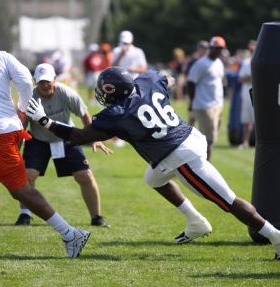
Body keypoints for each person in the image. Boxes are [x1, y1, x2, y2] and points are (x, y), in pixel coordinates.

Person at [26, 66, 280, 260]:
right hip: (189, 136)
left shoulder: (118, 115)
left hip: (180, 155)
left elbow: (80, 136)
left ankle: (276, 237)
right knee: (153, 178)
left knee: (228, 201)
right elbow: (166, 78)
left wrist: (45, 121)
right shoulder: (147, 81)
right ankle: (195, 221)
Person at [0, 49, 90, 257]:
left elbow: (24, 81)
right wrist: (20, 110)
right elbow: (23, 79)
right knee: (19, 189)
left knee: (21, 190)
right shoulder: (1, 56)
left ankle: (70, 233)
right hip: (1, 130)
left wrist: (20, 110)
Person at [15, 62, 111, 227]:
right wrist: (15, 148)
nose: (45, 85)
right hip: (39, 140)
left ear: (54, 79)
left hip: (67, 138)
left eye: (48, 81)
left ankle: (96, 217)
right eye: (40, 81)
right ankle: (24, 215)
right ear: (35, 81)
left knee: (85, 176)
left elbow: (84, 114)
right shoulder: (29, 98)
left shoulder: (66, 93)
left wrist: (94, 137)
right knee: (28, 174)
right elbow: (21, 127)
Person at [187, 36, 226, 161]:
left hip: (218, 104)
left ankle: (200, 162)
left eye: (221, 48)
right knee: (208, 139)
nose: (219, 51)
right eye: (216, 48)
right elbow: (191, 83)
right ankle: (205, 167)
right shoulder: (201, 64)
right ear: (211, 48)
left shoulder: (219, 63)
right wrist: (192, 101)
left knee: (212, 136)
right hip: (204, 104)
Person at [111, 30, 148, 147]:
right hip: (119, 84)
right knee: (120, 111)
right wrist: (122, 53)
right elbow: (112, 65)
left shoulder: (138, 51)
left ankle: (137, 135)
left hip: (134, 84)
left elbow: (143, 67)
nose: (125, 44)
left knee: (134, 111)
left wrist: (134, 69)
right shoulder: (116, 51)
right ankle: (120, 136)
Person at [237, 41, 256, 149]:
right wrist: (251, 77)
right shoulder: (246, 62)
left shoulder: (262, 61)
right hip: (246, 94)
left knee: (258, 121)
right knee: (246, 121)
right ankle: (245, 142)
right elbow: (240, 78)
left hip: (258, 96)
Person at [185, 40, 209, 126]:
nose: (207, 50)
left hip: (206, 95)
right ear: (199, 49)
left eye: (208, 48)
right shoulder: (193, 62)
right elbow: (187, 77)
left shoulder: (210, 62)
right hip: (195, 93)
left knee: (207, 119)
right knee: (192, 118)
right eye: (205, 48)